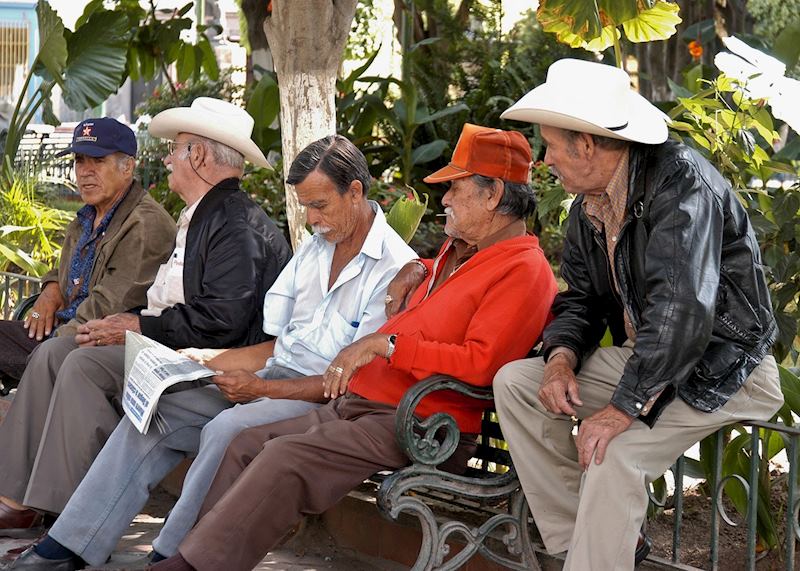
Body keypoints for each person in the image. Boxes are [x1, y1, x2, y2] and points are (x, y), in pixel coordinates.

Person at [144, 123, 559, 571]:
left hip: (423, 424)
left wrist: (389, 345)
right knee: (243, 442)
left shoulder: (523, 269)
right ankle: (194, 556)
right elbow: (445, 304)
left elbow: (481, 365)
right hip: (369, 404)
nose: (445, 200)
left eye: (455, 189)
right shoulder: (457, 253)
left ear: (493, 193)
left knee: (284, 457)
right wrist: (416, 269)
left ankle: (192, 567)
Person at [9, 134, 417, 571]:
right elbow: (279, 347)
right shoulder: (318, 248)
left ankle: (173, 556)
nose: (312, 219)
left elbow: (347, 383)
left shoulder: (393, 268)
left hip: (318, 400)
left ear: (355, 191)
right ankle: (69, 545)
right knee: (155, 411)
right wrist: (202, 361)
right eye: (305, 207)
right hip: (271, 380)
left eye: (319, 205)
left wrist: (259, 387)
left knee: (228, 428)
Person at [491, 58, 784, 570]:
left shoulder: (682, 183)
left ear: (586, 144)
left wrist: (622, 409)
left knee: (613, 453)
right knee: (519, 382)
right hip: (655, 362)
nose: (546, 159)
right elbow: (581, 299)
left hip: (724, 369)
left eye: (552, 146)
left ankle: (596, 555)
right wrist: (559, 357)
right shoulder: (591, 203)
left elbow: (682, 308)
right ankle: (583, 543)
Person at [0, 98, 291, 538]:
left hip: (208, 364)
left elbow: (220, 323)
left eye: (176, 149)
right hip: (175, 348)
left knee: (79, 359)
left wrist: (136, 325)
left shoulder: (235, 225)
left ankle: (64, 521)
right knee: (62, 350)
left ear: (199, 155)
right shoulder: (206, 215)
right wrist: (75, 299)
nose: (169, 159)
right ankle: (17, 500)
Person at [0, 118, 175, 383]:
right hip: (63, 333)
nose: (84, 171)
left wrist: (50, 347)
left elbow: (108, 307)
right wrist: (51, 289)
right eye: (80, 160)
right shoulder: (87, 217)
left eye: (98, 161)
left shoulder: (145, 224)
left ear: (127, 167)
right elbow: (70, 271)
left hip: (93, 347)